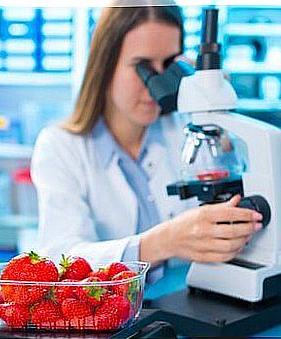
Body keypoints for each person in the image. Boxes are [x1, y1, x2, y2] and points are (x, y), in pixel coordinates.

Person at [31, 1, 264, 280]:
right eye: (142, 67)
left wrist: (217, 116)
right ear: (105, 66)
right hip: (114, 317)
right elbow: (61, 257)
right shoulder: (61, 147)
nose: (156, 85)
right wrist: (164, 241)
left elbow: (239, 195)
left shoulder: (188, 130)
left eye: (167, 65)